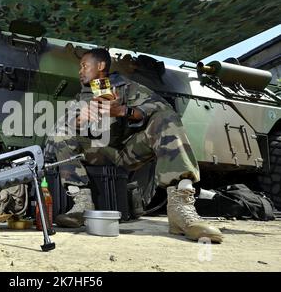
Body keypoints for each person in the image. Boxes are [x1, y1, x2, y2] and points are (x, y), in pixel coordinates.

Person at [46, 48, 223, 243]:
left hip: (131, 151)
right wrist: (79, 120)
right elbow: (55, 134)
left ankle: (181, 209)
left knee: (166, 118)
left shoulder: (127, 88)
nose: (80, 71)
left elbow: (162, 108)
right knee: (61, 135)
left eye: (84, 66)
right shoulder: (80, 99)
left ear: (101, 66)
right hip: (104, 152)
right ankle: (82, 205)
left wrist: (123, 111)